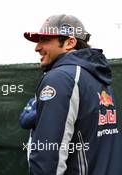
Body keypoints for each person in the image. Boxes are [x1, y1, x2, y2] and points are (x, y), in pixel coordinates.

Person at [23, 14, 120, 175]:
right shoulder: (101, 79)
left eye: (45, 40)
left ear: (70, 42)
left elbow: (48, 156)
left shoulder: (61, 78)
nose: (37, 47)